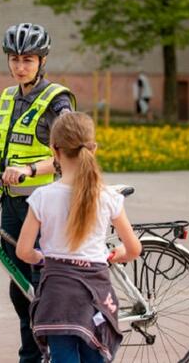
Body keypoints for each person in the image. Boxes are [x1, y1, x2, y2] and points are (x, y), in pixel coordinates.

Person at [0, 23, 75, 363]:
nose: (19, 66)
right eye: (14, 58)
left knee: (41, 288)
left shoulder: (56, 101)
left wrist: (28, 171)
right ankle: (31, 355)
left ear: (42, 61)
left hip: (44, 207)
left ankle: (52, 353)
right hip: (12, 204)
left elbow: (69, 152)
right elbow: (1, 155)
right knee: (19, 286)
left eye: (27, 59)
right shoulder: (9, 97)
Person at [16, 112, 142, 362]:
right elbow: (134, 249)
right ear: (92, 148)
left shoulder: (42, 197)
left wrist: (41, 257)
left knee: (63, 357)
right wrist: (117, 255)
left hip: (57, 298)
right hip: (95, 295)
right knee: (95, 355)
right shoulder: (108, 197)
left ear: (54, 150)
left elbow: (23, 251)